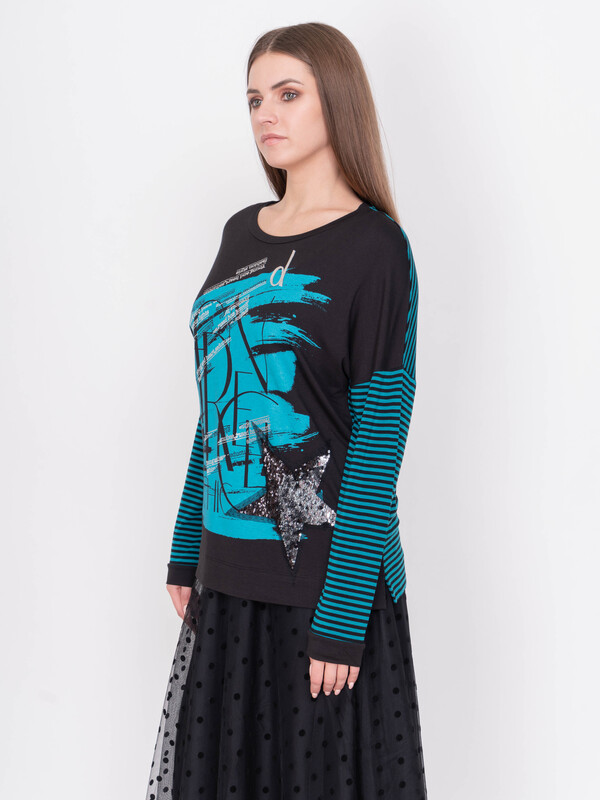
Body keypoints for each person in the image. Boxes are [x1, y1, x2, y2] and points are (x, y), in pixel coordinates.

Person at [146, 21, 427, 800]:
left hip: (325, 586)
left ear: (337, 101)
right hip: (228, 578)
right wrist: (187, 544)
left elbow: (378, 441)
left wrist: (343, 613)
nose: (266, 113)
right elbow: (219, 403)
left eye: (288, 93)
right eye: (254, 99)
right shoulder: (241, 232)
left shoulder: (375, 247)